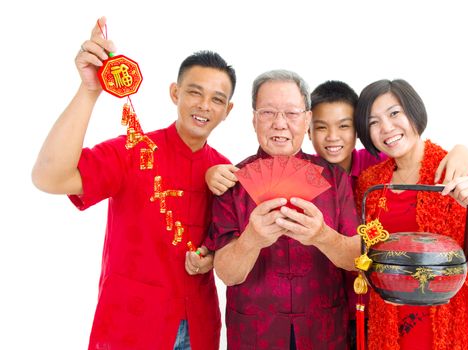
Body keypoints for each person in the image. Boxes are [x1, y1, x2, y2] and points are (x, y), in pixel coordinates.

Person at [31, 17, 235, 350]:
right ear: (175, 93)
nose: (203, 105)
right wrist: (89, 90)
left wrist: (212, 256)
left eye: (216, 99)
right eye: (194, 92)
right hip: (131, 326)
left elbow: (232, 247)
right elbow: (48, 177)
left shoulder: (225, 171)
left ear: (227, 110)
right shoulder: (134, 150)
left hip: (199, 325)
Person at [307, 80, 468, 349]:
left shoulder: (375, 167)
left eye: (344, 126)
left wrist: (461, 151)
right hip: (328, 306)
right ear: (307, 130)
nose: (333, 137)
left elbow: (410, 154)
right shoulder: (308, 172)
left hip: (379, 302)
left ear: (357, 131)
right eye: (321, 127)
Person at [205, 70, 362, 349]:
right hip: (256, 332)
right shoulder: (232, 181)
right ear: (253, 119)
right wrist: (252, 240)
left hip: (323, 331)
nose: (279, 124)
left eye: (291, 113)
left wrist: (323, 236)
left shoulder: (334, 178)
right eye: (267, 112)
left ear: (307, 119)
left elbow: (355, 259)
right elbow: (227, 274)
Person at [354, 79, 468, 350]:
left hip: (444, 328)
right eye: (373, 122)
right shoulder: (369, 182)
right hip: (387, 324)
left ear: (414, 111)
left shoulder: (456, 173)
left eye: (395, 113)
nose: (386, 128)